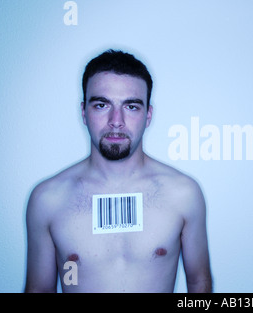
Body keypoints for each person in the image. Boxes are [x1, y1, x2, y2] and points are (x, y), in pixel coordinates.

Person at [24, 50, 212, 293]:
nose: (116, 120)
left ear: (148, 115)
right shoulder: (48, 199)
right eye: (102, 105)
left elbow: (199, 284)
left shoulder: (183, 193)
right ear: (83, 112)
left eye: (131, 106)